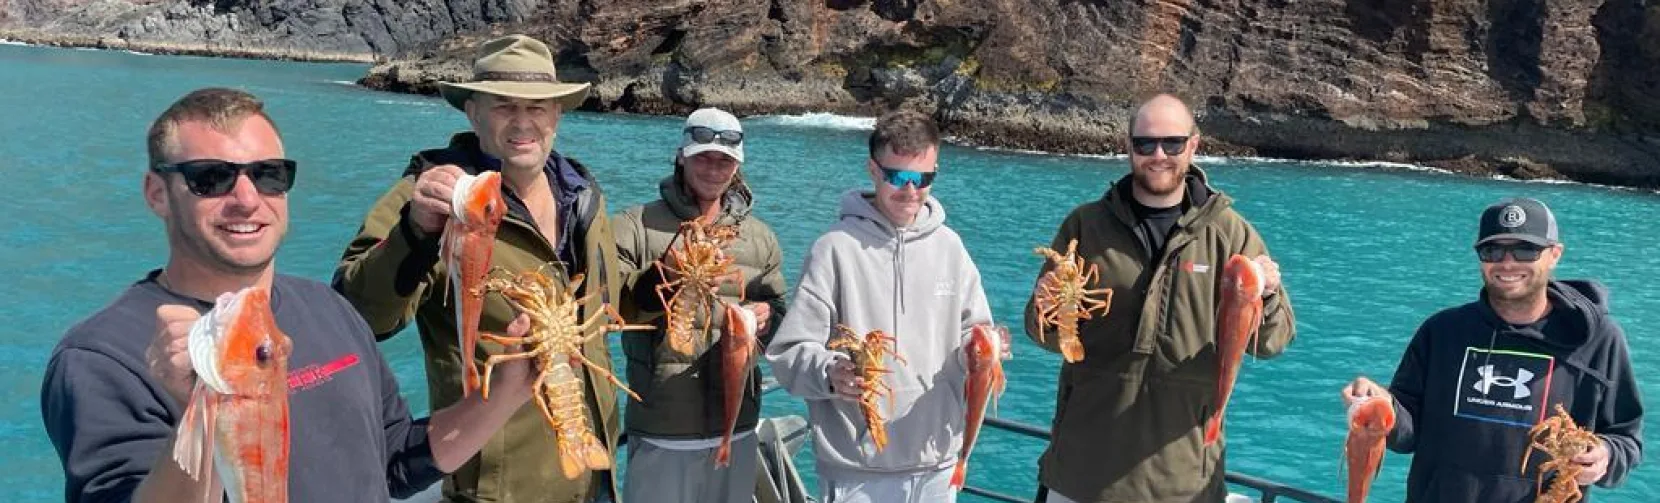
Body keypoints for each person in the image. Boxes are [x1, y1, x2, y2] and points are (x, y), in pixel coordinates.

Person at [41, 87, 537, 503]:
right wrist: (205, 411)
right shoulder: (103, 357)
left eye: (269, 174)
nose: (246, 199)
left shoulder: (328, 308)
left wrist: (512, 385)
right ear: (156, 193)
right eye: (210, 178)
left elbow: (397, 458)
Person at [333, 34, 626, 502]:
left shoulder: (583, 193)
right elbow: (356, 314)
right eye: (503, 106)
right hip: (498, 488)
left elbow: (607, 305)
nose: (523, 122)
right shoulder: (432, 195)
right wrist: (416, 230)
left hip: (596, 474)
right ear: (472, 112)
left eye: (538, 107)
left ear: (557, 115)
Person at [1022, 94, 1296, 503]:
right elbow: (1045, 335)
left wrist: (1268, 295)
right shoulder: (1086, 225)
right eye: (1145, 144)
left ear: (1194, 145)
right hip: (1080, 475)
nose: (1159, 155)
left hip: (1184, 481)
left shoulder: (1231, 234)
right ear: (1128, 146)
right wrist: (1044, 308)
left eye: (1172, 142)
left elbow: (1273, 341)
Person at [765, 110, 1000, 503]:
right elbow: (787, 353)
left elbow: (972, 334)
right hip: (856, 472)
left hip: (939, 466)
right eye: (898, 177)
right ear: (873, 170)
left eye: (923, 179)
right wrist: (829, 374)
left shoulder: (951, 249)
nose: (911, 190)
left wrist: (982, 349)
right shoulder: (833, 249)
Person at [1341, 197, 1643, 502]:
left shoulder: (1598, 339)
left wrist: (1605, 455)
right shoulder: (1442, 331)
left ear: (1554, 254)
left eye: (1526, 250)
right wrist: (1382, 407)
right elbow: (1408, 430)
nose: (1507, 262)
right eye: (1492, 250)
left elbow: (1626, 438)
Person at [611, 107, 789, 502]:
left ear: (738, 166)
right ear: (681, 156)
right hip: (663, 428)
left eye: (724, 160)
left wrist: (768, 318)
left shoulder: (760, 238)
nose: (713, 169)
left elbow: (782, 314)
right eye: (703, 157)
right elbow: (614, 309)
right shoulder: (634, 226)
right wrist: (665, 273)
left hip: (738, 426)